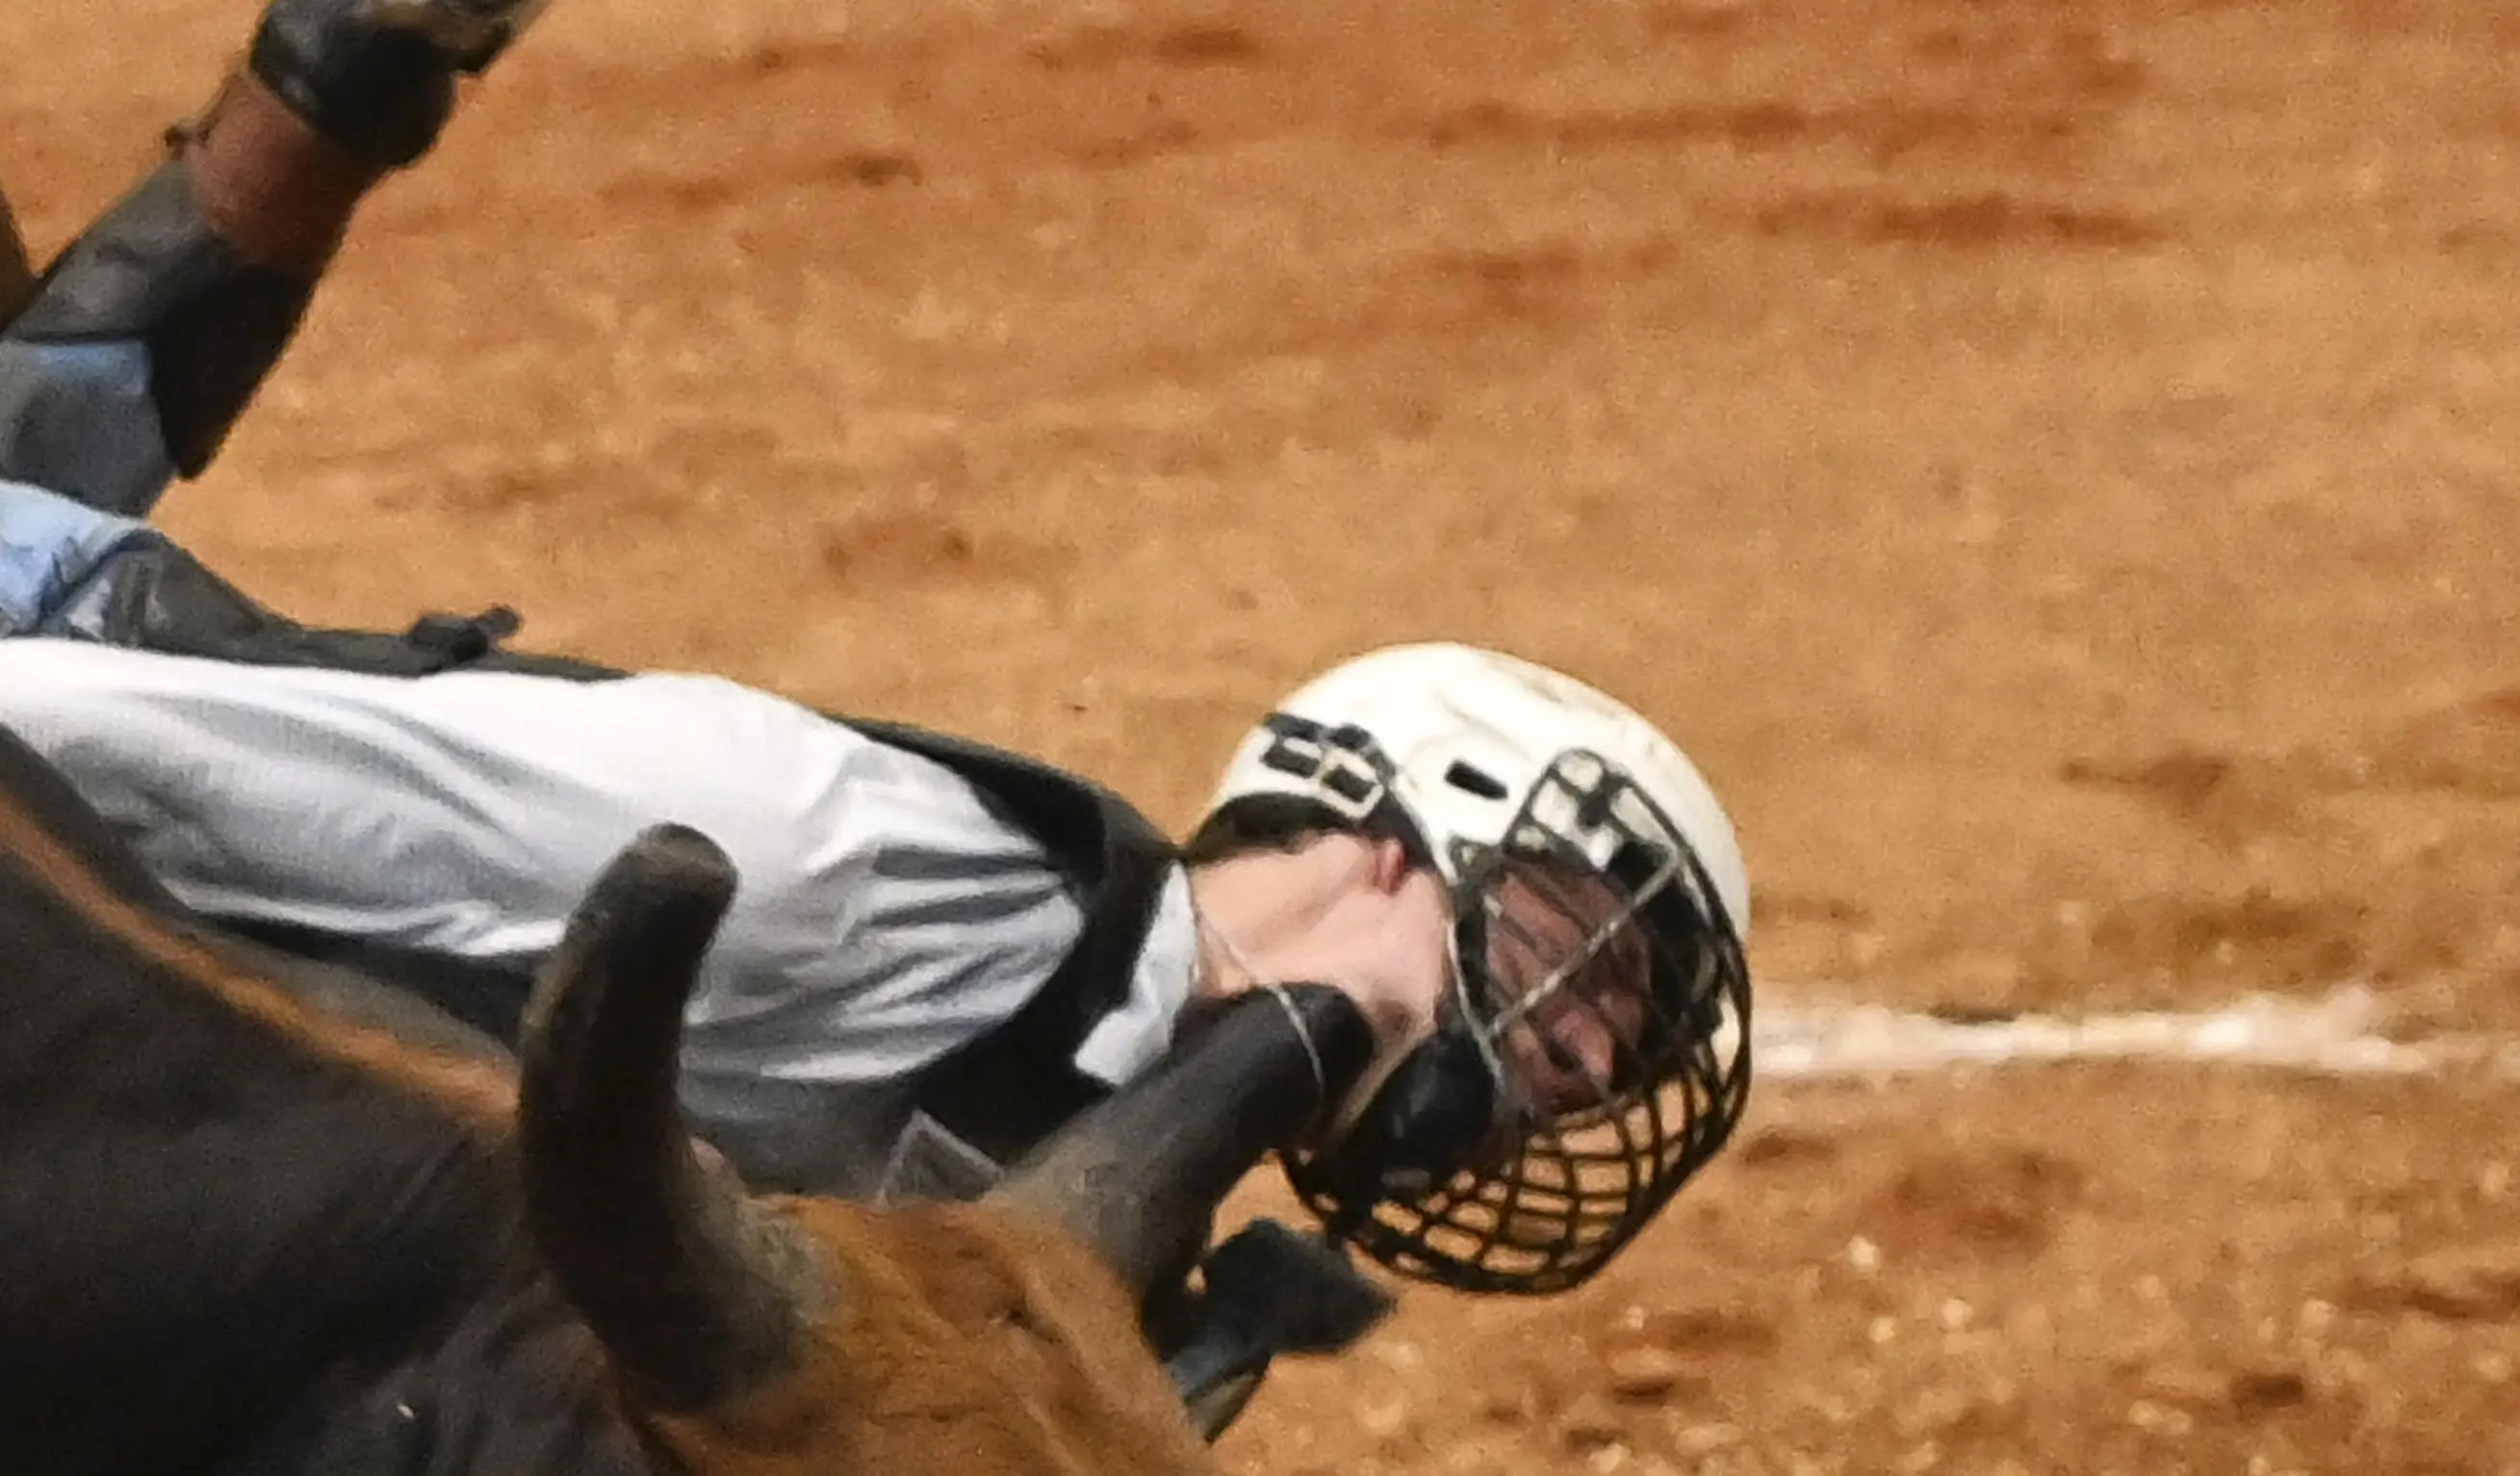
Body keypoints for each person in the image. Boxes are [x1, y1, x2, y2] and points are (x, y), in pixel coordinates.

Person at [0, 0, 1752, 1336]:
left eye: (1616, 1047)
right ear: (1387, 843)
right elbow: (271, 780)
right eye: (1574, 964)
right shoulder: (880, 877)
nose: (1583, 1066)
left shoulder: (1099, 1186)